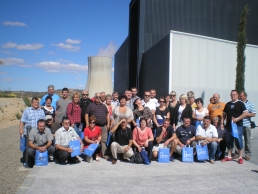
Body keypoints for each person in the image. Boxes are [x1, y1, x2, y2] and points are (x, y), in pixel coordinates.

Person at [222, 90, 248, 164]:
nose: (233, 95)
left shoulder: (240, 103)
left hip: (238, 126)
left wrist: (238, 119)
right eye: (232, 94)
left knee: (238, 140)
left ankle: (240, 157)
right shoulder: (228, 104)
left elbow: (246, 113)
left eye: (234, 94)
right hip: (229, 126)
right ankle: (229, 156)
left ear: (237, 95)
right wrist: (221, 122)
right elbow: (224, 114)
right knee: (229, 140)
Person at [85, 93, 110, 159]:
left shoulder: (103, 106)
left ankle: (104, 154)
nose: (98, 98)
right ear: (95, 97)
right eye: (97, 97)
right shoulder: (91, 105)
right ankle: (94, 154)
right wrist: (87, 124)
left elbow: (107, 114)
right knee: (94, 141)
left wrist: (108, 124)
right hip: (95, 127)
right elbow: (86, 114)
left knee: (104, 141)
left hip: (103, 126)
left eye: (99, 97)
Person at [239, 91, 256, 161]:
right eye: (239, 96)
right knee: (238, 140)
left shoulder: (250, 104)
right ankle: (238, 153)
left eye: (241, 96)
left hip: (246, 125)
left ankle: (247, 154)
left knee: (247, 140)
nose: (240, 97)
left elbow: (253, 114)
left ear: (245, 96)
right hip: (239, 124)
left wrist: (245, 115)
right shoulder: (238, 103)